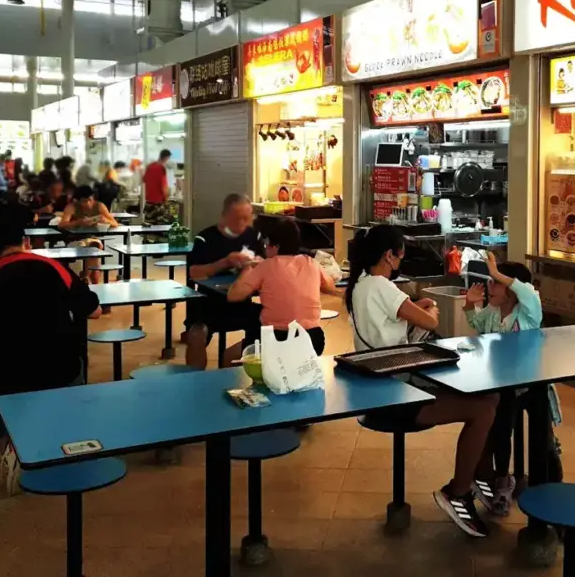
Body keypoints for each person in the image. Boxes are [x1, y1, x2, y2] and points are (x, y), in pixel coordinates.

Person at [347, 225, 497, 537]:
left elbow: (388, 327)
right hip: (394, 394)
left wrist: (414, 308)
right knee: (484, 407)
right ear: (390, 255)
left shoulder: (360, 285)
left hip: (376, 387)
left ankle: (480, 478)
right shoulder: (383, 287)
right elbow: (430, 321)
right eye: (400, 256)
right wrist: (426, 309)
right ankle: (457, 492)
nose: (400, 262)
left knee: (487, 399)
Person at [0, 210, 99, 495]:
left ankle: (8, 446)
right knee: (72, 371)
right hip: (63, 370)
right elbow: (93, 311)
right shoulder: (55, 268)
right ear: (25, 242)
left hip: (9, 375)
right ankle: (62, 438)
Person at [463, 253, 563, 515]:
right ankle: (502, 483)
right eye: (491, 280)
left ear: (512, 289)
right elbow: (478, 327)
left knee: (544, 441)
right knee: (500, 431)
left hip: (533, 385)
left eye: (495, 282)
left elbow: (528, 291)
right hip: (505, 385)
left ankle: (549, 491)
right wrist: (469, 305)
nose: (489, 286)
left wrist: (497, 272)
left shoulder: (528, 313)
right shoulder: (493, 313)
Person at [223, 218, 336, 364]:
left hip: (277, 339)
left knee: (228, 356)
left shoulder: (267, 266)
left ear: (275, 246)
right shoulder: (311, 262)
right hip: (313, 340)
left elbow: (233, 296)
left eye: (266, 243)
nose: (265, 247)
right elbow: (329, 284)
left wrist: (247, 267)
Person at [184, 194, 264, 370]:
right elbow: (194, 273)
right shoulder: (205, 239)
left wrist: (257, 263)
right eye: (237, 219)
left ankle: (243, 359)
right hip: (209, 305)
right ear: (225, 216)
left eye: (247, 218)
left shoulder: (254, 236)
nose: (243, 223)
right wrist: (226, 262)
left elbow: (265, 265)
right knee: (197, 334)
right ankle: (193, 380)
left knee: (271, 320)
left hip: (242, 302)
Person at [60, 185, 118, 290]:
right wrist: (78, 222)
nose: (88, 204)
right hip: (75, 239)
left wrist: (105, 220)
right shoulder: (71, 207)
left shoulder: (99, 206)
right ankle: (89, 278)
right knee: (89, 249)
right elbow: (61, 224)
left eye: (90, 200)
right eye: (84, 201)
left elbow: (115, 223)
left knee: (94, 245)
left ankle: (88, 276)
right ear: (77, 201)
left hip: (93, 238)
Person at [143, 149, 173, 227]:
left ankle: (147, 239)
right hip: (158, 204)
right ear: (167, 157)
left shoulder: (149, 166)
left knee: (149, 228)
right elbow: (164, 187)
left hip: (149, 204)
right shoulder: (161, 168)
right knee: (161, 228)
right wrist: (166, 200)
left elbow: (144, 180)